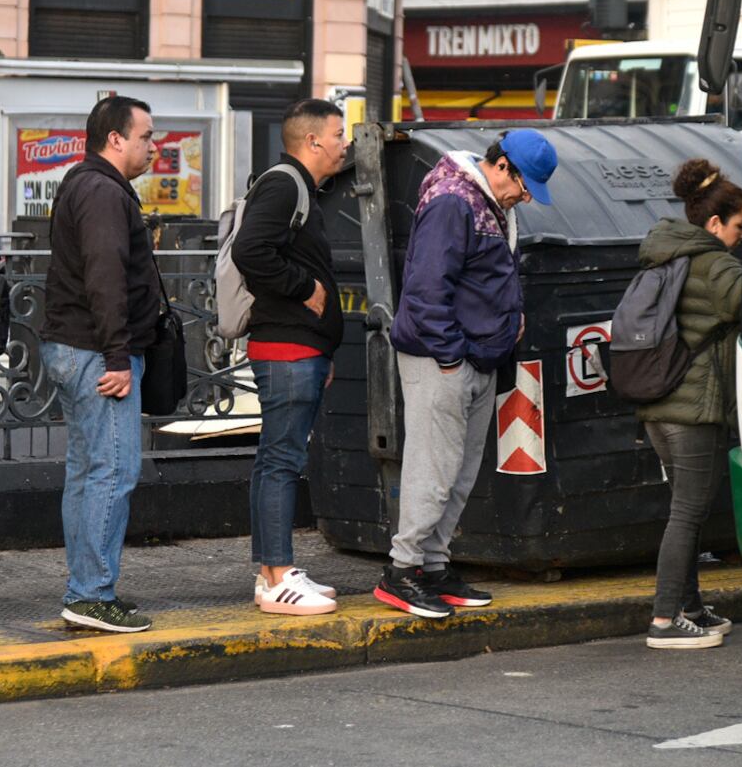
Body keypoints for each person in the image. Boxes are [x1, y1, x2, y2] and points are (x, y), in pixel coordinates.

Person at [377, 130, 558, 619]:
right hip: (445, 358)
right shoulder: (453, 202)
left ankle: (432, 566)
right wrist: (452, 355)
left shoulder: (484, 202)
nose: (525, 197)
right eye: (524, 185)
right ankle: (402, 569)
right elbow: (425, 289)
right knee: (434, 469)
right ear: (501, 167)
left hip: (473, 356)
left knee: (456, 473)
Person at [43, 95, 161, 634]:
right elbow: (105, 273)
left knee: (88, 472)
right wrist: (118, 354)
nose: (152, 147)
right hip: (97, 353)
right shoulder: (102, 191)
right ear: (115, 139)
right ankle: (91, 595)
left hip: (80, 347)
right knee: (114, 471)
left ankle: (85, 589)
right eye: (144, 137)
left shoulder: (84, 183)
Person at [233, 100, 347, 616]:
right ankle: (277, 578)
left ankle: (272, 571)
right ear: (313, 142)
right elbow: (251, 250)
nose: (345, 144)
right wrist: (306, 290)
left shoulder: (297, 186)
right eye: (339, 134)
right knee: (281, 460)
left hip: (300, 348)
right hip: (286, 347)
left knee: (276, 459)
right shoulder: (285, 184)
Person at [639, 159, 742, 650]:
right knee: (687, 514)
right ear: (713, 224)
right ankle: (664, 620)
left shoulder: (667, 252)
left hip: (660, 405)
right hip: (695, 407)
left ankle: (690, 608)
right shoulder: (717, 263)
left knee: (686, 510)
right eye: (740, 226)